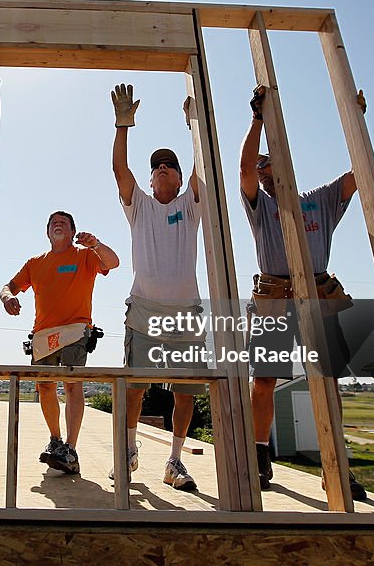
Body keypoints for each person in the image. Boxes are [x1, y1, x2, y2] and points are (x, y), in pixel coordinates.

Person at [240, 84, 367, 500]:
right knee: (264, 381)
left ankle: (338, 464)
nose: (261, 170)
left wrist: (357, 123)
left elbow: (358, 177)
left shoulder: (319, 202)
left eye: (268, 163)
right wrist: (257, 120)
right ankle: (260, 458)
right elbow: (242, 170)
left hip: (315, 294)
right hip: (275, 296)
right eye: (259, 167)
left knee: (326, 380)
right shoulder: (262, 208)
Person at [110, 83, 206, 492]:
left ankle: (175, 461)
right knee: (134, 389)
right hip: (145, 309)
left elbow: (206, 166)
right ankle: (129, 451)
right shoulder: (142, 207)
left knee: (184, 395)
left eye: (170, 165)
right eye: (157, 166)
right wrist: (122, 124)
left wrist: (194, 123)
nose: (162, 168)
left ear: (181, 178)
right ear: (150, 181)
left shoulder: (191, 204)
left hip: (186, 313)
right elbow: (119, 170)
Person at [0, 211, 119, 475]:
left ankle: (71, 448)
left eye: (63, 222)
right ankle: (56, 441)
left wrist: (95, 244)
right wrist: (7, 297)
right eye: (53, 222)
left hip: (75, 331)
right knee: (44, 387)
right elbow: (8, 286)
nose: (57, 224)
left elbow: (114, 262)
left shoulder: (85, 256)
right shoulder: (35, 263)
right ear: (47, 232)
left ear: (72, 230)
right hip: (43, 335)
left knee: (72, 385)